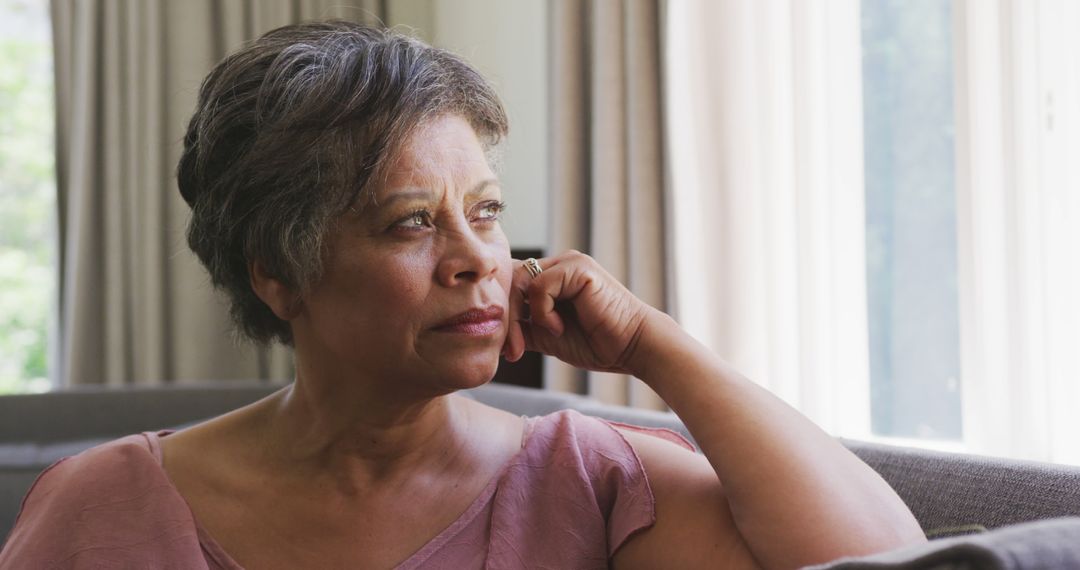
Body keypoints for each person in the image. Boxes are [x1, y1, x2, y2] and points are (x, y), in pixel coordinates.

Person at [0, 21, 926, 569]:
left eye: (485, 213)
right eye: (411, 222)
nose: (477, 259)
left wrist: (653, 345)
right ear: (277, 272)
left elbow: (884, 561)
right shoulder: (107, 507)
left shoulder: (586, 481)